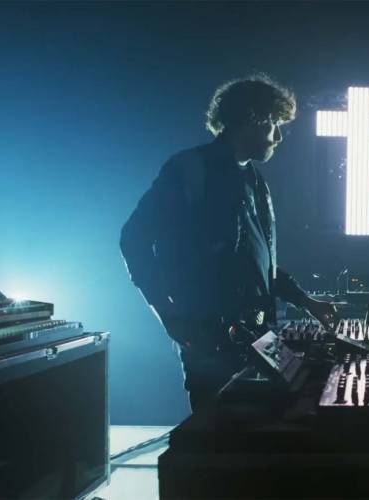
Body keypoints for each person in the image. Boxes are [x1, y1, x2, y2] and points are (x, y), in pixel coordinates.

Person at [120, 73, 337, 412]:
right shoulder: (189, 169)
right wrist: (170, 316)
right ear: (252, 118)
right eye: (274, 124)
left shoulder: (254, 180)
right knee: (217, 435)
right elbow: (133, 239)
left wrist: (306, 301)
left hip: (259, 334)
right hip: (210, 340)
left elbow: (256, 261)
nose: (278, 137)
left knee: (293, 408)